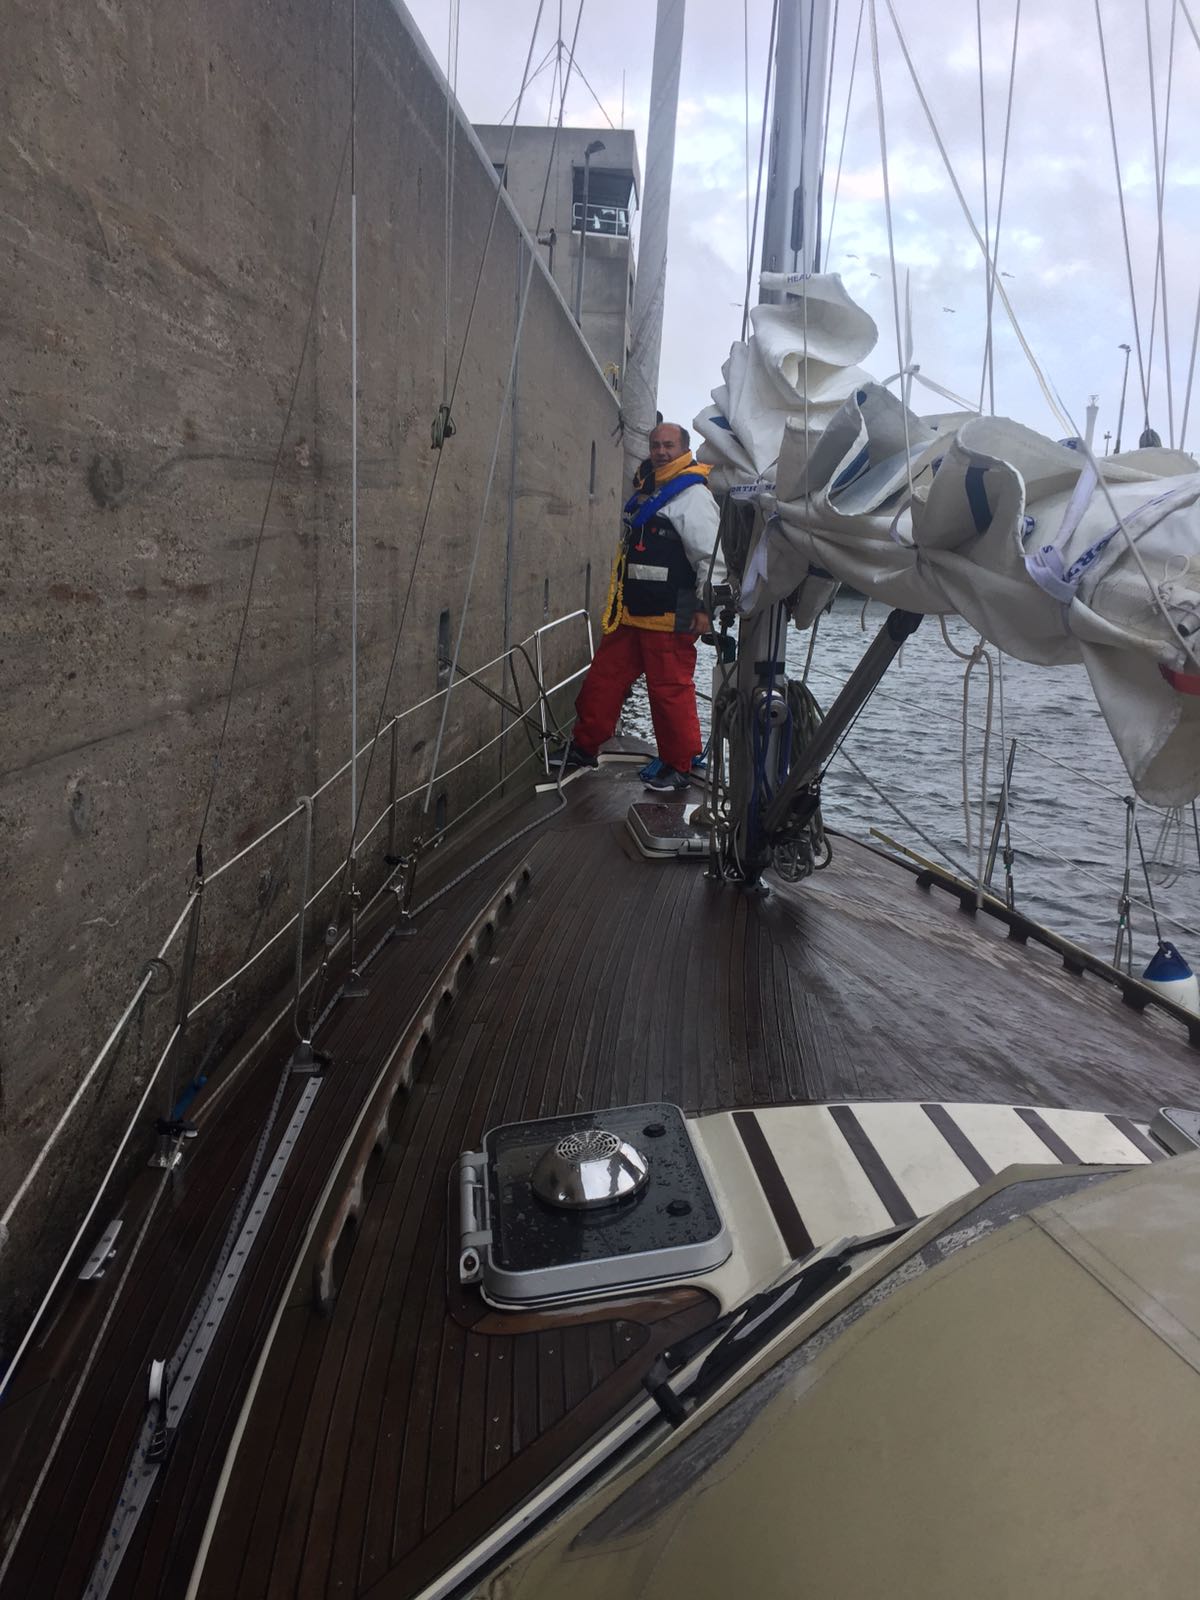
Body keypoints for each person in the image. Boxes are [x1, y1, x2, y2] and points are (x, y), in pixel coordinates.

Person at [554, 421, 725, 793]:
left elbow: (711, 559)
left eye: (669, 445)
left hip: (675, 611)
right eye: (655, 445)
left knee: (670, 691)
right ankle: (583, 748)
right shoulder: (651, 490)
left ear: (685, 450)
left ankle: (678, 766)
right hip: (632, 611)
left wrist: (704, 609)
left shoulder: (693, 496)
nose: (660, 452)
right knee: (603, 681)